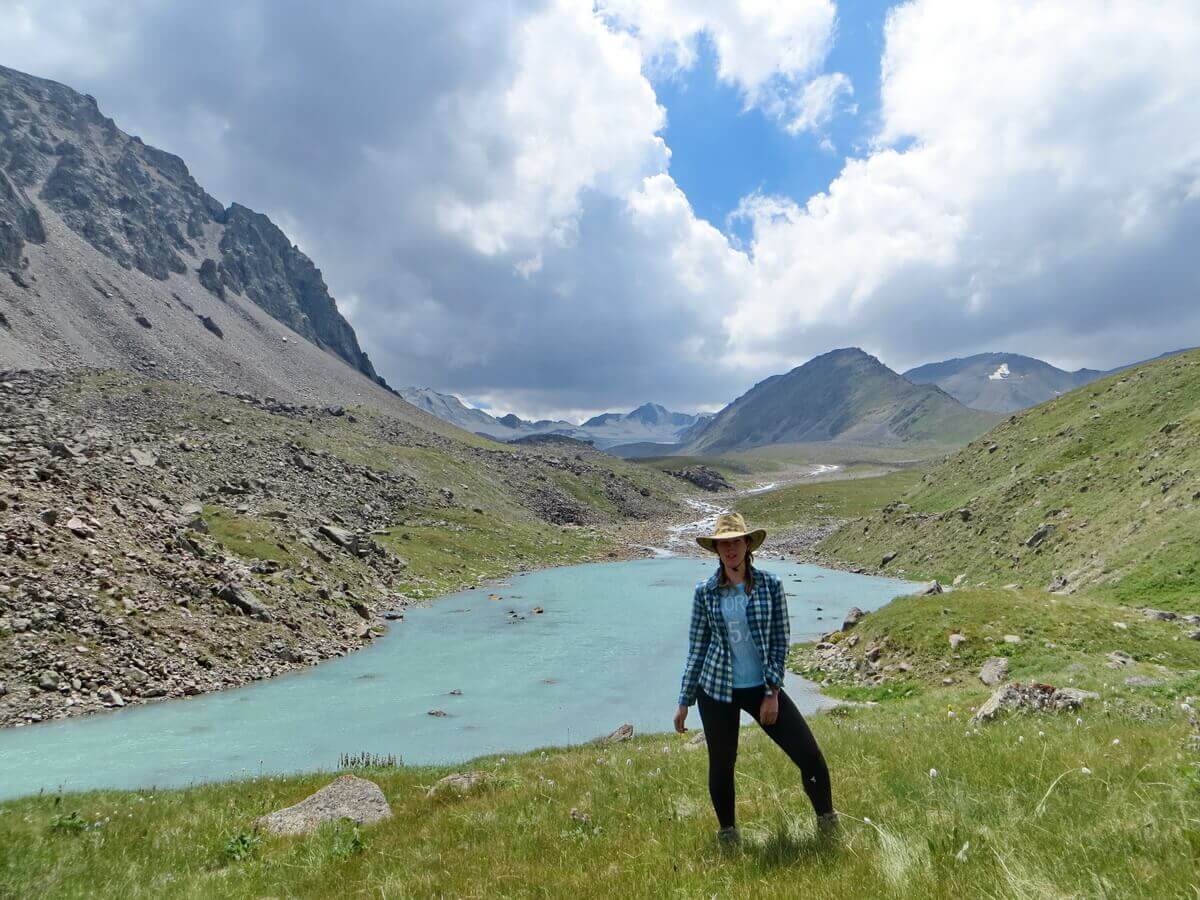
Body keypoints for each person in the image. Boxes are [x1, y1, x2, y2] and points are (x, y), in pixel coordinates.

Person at [673, 511, 837, 847]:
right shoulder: (704, 591)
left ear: (747, 545)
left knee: (809, 756)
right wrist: (684, 701)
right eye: (723, 544)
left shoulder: (771, 586)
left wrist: (772, 691)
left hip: (761, 689)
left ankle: (827, 823)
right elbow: (697, 646)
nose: (730, 549)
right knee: (722, 764)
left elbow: (780, 639)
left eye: (735, 541)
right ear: (716, 550)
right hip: (716, 689)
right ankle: (729, 836)